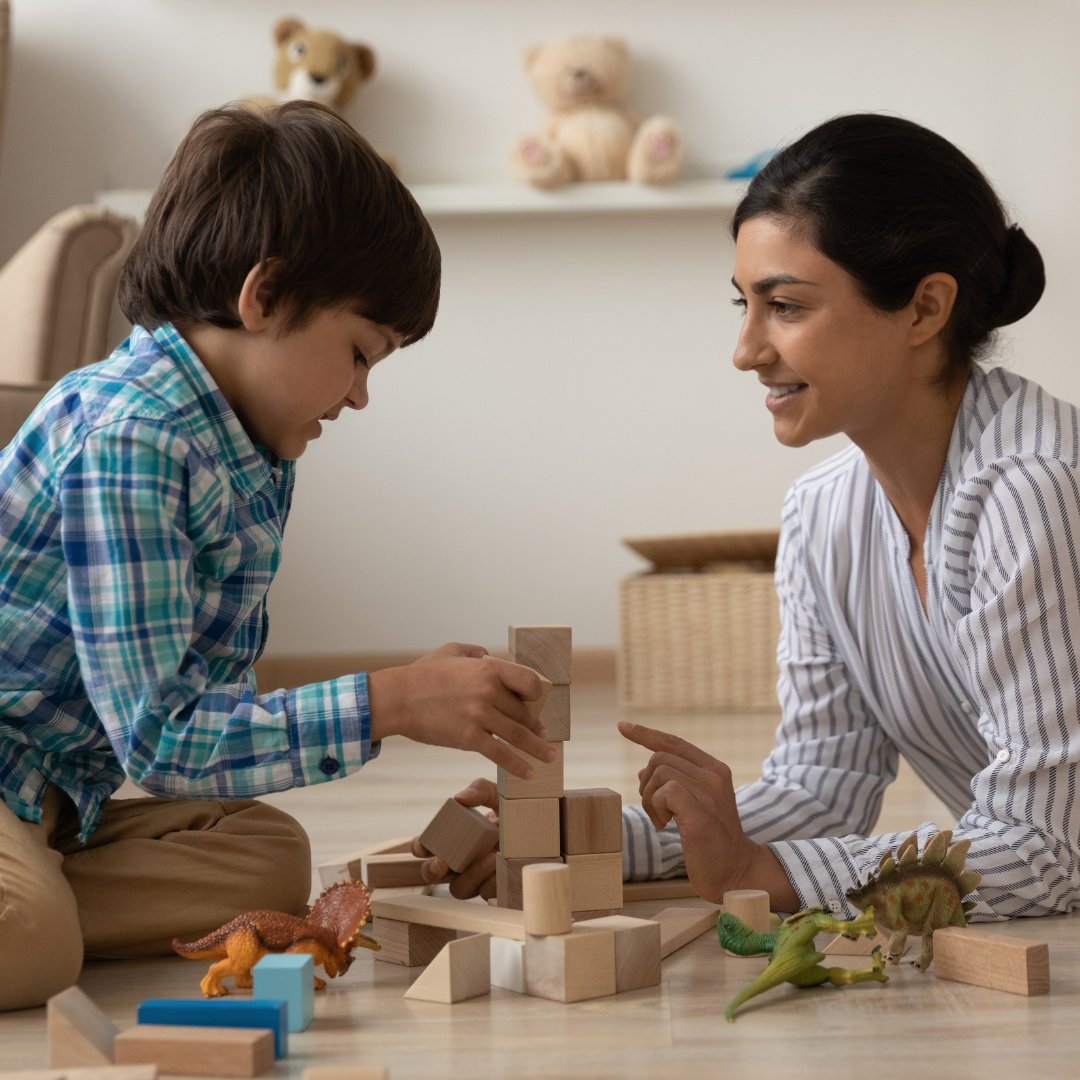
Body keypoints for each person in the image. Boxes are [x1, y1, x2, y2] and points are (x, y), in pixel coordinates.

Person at [417, 113, 1079, 926]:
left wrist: (764, 870)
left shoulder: (1029, 492)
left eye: (786, 307)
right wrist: (591, 841)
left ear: (924, 308)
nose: (746, 349)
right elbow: (820, 788)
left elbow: (1049, 848)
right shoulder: (822, 514)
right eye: (745, 304)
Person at [0, 101, 554, 1012]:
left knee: (270, 855)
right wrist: (395, 701)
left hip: (57, 803)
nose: (362, 396)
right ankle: (36, 912)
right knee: (32, 944)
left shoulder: (244, 442)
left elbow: (205, 729)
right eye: (359, 354)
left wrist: (401, 693)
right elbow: (166, 740)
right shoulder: (132, 437)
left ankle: (42, 894)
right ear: (264, 297)